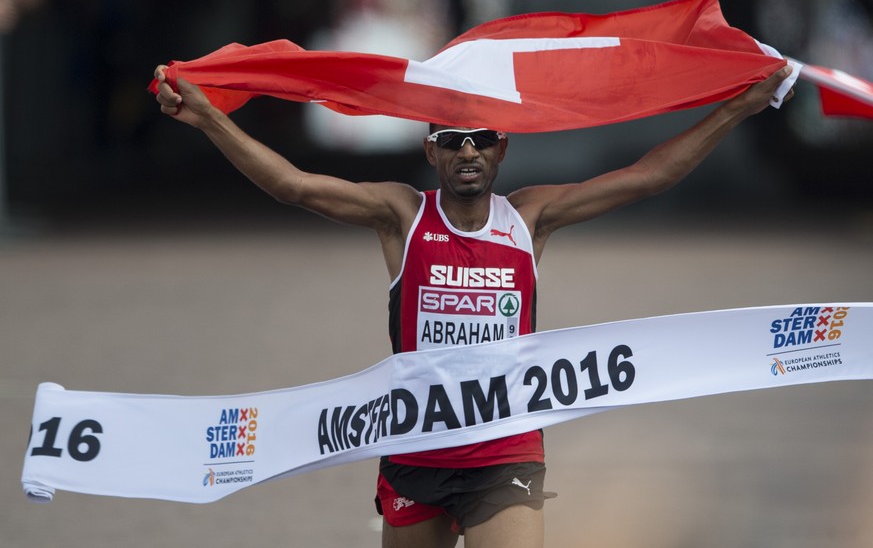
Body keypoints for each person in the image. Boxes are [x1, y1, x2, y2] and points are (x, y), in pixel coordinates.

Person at [153, 63, 794, 548]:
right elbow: (293, 186)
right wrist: (208, 117)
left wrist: (738, 107)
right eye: (452, 140)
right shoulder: (401, 215)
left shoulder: (530, 218)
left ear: (500, 150)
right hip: (414, 452)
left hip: (504, 451)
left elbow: (649, 176)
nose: (467, 152)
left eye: (481, 140)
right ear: (430, 150)